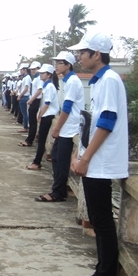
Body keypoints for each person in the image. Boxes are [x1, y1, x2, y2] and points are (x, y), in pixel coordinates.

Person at [68, 31, 128, 276]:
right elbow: (90, 122)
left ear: (97, 54)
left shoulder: (109, 80)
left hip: (101, 162)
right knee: (97, 218)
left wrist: (85, 158)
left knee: (102, 221)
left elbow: (106, 122)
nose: (78, 57)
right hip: (95, 160)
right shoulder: (100, 79)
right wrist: (80, 153)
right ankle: (100, 271)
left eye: (83, 52)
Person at [36, 52, 84, 201]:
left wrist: (57, 128)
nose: (56, 66)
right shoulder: (68, 81)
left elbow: (67, 108)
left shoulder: (72, 82)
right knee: (56, 156)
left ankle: (57, 193)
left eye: (59, 63)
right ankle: (59, 190)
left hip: (71, 127)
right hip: (67, 127)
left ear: (68, 65)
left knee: (61, 159)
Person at [25, 64, 58, 170]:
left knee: (41, 140)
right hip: (47, 114)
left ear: (48, 75)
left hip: (48, 115)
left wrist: (40, 115)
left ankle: (37, 162)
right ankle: (37, 161)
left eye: (43, 73)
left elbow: (47, 103)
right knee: (41, 139)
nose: (40, 75)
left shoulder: (49, 87)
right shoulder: (47, 85)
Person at [20, 62, 41, 147]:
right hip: (33, 100)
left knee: (32, 122)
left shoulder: (39, 78)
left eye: (35, 69)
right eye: (32, 69)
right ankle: (30, 139)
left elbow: (39, 90)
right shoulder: (35, 78)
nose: (33, 71)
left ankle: (29, 140)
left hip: (35, 100)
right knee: (32, 121)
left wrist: (31, 99)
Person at [17, 64, 32, 132]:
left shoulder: (27, 78)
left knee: (24, 113)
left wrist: (20, 96)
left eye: (21, 70)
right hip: (24, 96)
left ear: (25, 70)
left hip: (24, 96)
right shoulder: (26, 78)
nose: (20, 71)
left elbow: (26, 88)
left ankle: (25, 127)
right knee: (24, 113)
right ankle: (25, 126)